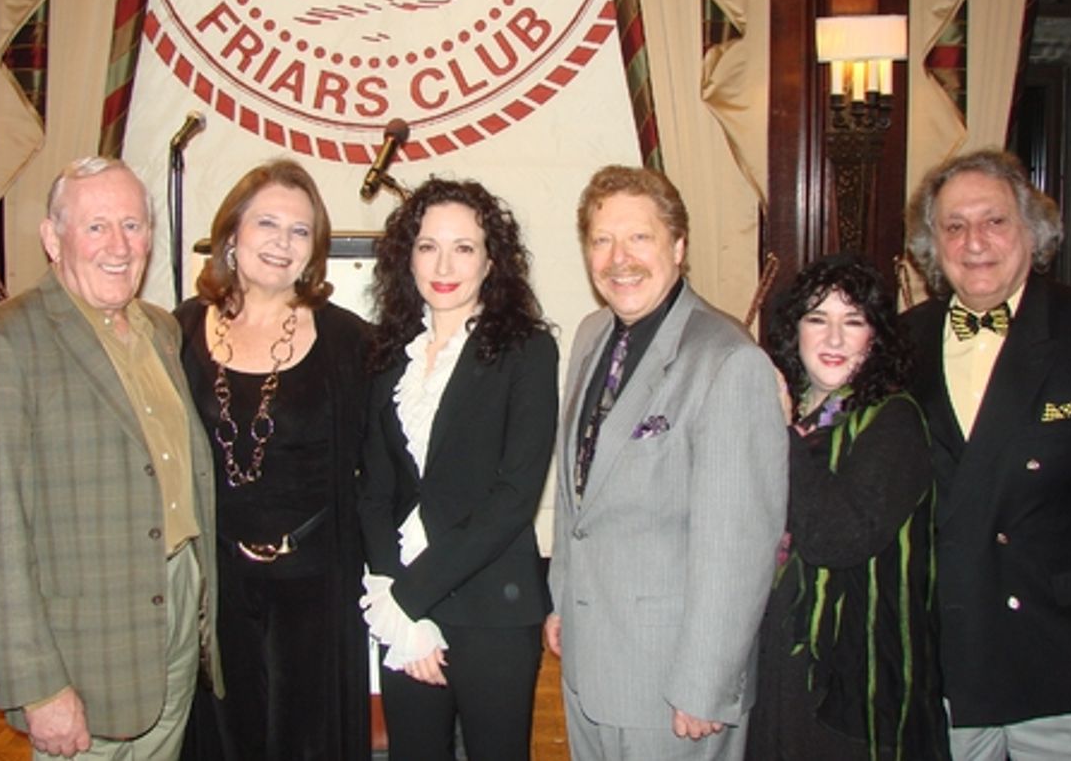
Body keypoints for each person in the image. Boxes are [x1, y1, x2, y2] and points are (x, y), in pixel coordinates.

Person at [0, 156, 222, 759]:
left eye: (132, 225)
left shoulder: (159, 330)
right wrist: (38, 686)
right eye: (95, 227)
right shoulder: (2, 342)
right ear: (52, 237)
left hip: (171, 615)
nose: (118, 246)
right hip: (82, 644)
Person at [545, 165, 788, 760]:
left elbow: (739, 546)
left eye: (639, 238)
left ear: (678, 247)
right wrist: (563, 600)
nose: (617, 258)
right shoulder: (591, 334)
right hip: (588, 663)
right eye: (601, 241)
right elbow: (582, 494)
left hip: (673, 685)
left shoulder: (729, 361)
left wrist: (706, 682)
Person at [903, 147, 1071, 760]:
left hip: (1066, 665)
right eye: (954, 227)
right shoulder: (903, 340)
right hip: (946, 666)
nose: (975, 243)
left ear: (1032, 230)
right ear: (932, 246)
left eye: (994, 222)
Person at [357, 177, 558, 761]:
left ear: (491, 260)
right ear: (407, 257)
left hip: (491, 606)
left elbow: (514, 496)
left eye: (463, 247)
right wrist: (390, 592)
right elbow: (374, 488)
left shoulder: (528, 350)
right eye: (427, 246)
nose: (444, 264)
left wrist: (410, 596)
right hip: (399, 601)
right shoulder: (387, 351)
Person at [175, 159, 370, 760]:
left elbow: (383, 464)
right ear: (232, 233)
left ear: (315, 250)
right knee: (222, 738)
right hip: (216, 580)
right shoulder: (176, 330)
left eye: (300, 231)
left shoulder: (350, 341)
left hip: (315, 584)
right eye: (267, 224)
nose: (282, 244)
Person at [746, 254, 949, 760]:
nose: (834, 339)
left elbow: (838, 538)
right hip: (774, 667)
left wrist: (782, 435)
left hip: (853, 685)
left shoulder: (892, 422)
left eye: (852, 321)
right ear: (794, 331)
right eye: (818, 318)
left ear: (875, 336)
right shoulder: (792, 414)